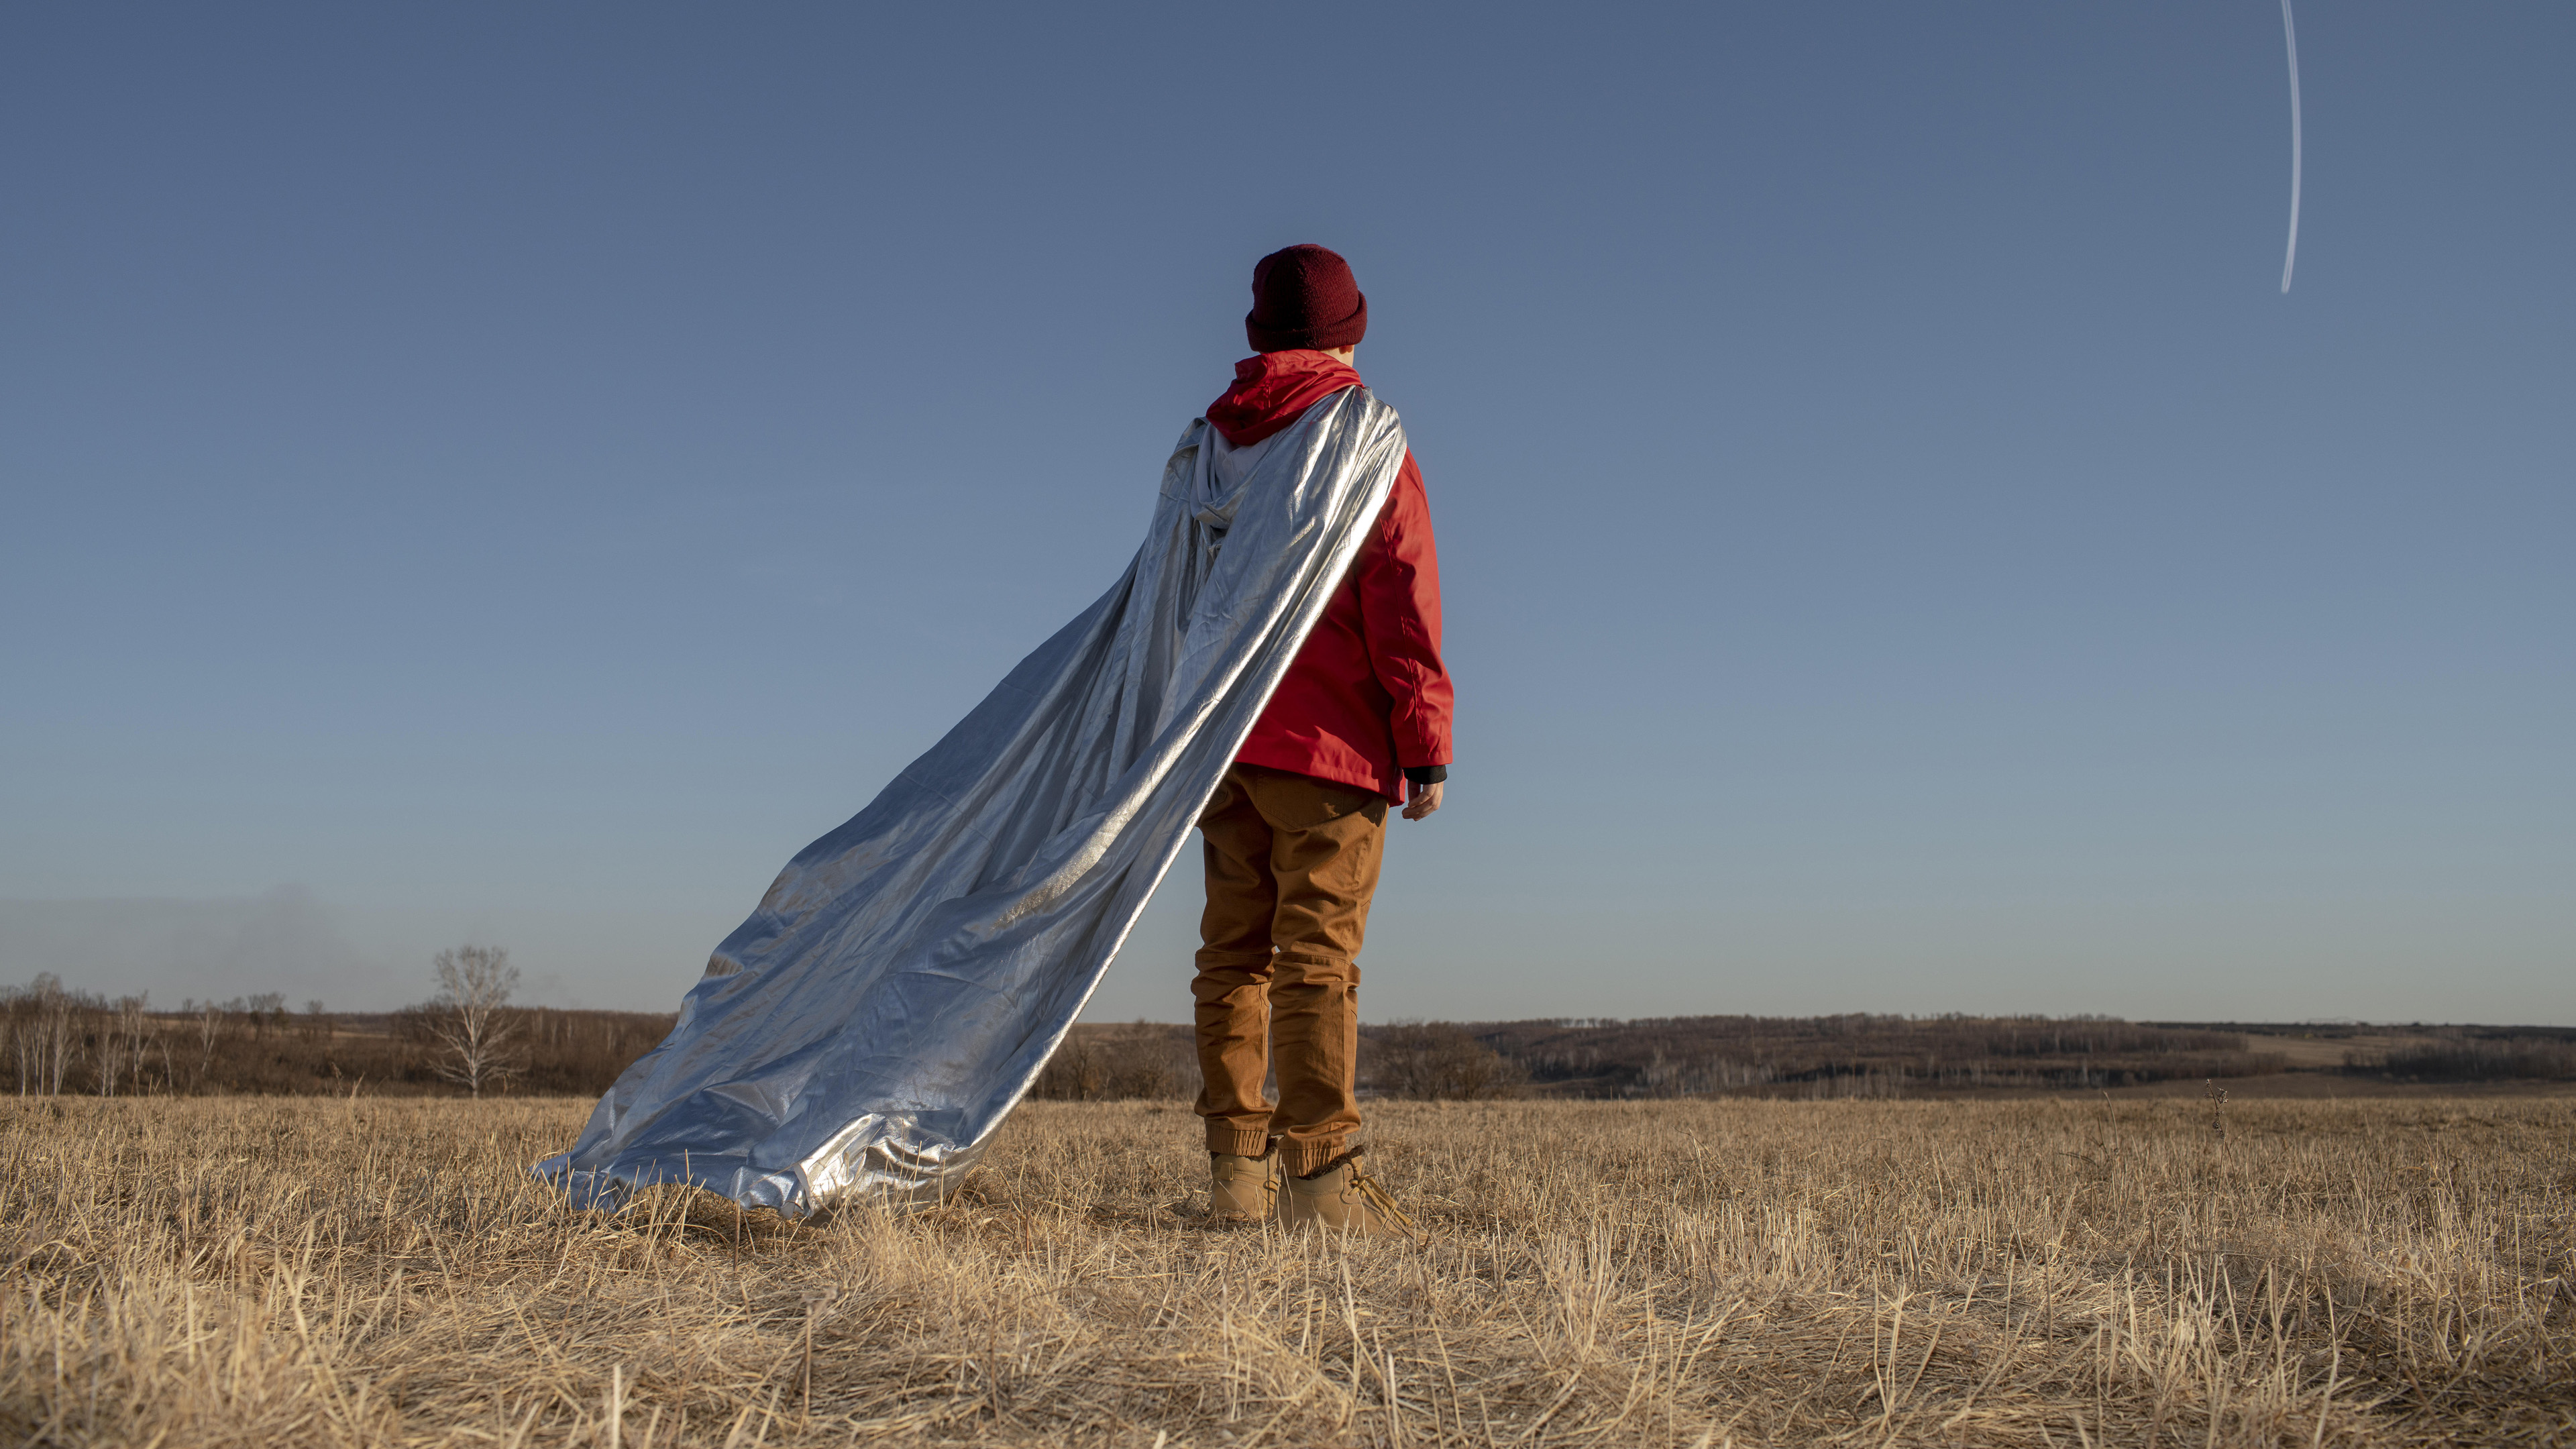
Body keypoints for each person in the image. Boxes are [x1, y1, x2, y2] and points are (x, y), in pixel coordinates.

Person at [1190, 244, 1452, 1236]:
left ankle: (1235, 1181)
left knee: (1232, 959)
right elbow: (1401, 591)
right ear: (1353, 330)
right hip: (1329, 744)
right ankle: (1324, 1188)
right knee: (1317, 961)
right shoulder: (1365, 435)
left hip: (1218, 745)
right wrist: (1423, 735)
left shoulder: (1210, 444)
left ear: (1259, 335)